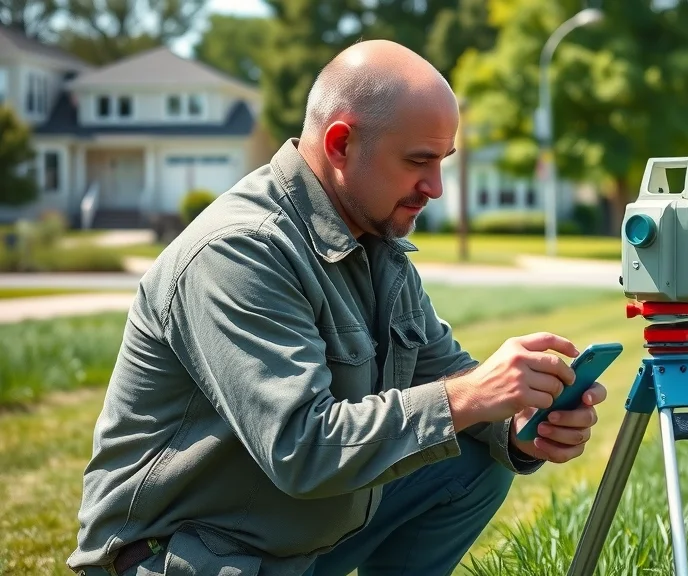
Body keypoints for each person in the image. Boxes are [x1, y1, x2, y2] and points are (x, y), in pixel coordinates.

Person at [66, 39, 607, 576]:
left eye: (442, 162)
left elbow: (448, 375)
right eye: (418, 161)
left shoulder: (376, 245)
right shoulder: (239, 251)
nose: (436, 187)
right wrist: (471, 396)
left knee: (475, 458)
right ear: (341, 143)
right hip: (186, 557)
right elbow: (303, 448)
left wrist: (518, 420)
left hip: (293, 546)